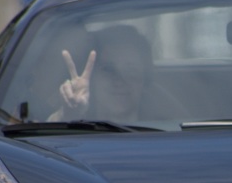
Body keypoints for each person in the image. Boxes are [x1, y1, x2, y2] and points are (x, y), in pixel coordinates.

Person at [52, 25, 180, 122]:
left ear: (145, 80)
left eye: (130, 71)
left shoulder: (166, 133)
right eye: (108, 70)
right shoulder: (71, 131)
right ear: (92, 79)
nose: (119, 81)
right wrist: (68, 114)